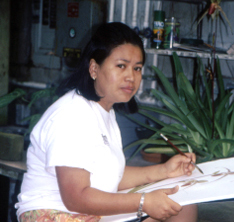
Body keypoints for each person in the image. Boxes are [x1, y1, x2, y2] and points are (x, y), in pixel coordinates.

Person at [15, 22, 198, 222]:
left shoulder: (104, 111)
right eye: (121, 66)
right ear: (94, 68)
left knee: (181, 203)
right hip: (54, 214)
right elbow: (76, 198)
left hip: (85, 213)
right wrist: (143, 201)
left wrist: (164, 171)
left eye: (137, 68)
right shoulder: (72, 115)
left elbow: (110, 177)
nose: (131, 77)